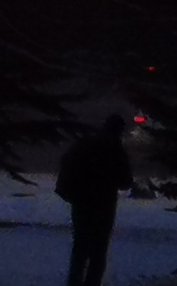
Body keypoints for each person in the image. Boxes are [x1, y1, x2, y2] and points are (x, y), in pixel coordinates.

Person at [56, 114, 134, 286]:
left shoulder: (83, 145)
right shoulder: (115, 150)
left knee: (81, 247)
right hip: (104, 204)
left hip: (81, 202)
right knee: (98, 250)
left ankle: (74, 282)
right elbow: (125, 181)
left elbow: (67, 165)